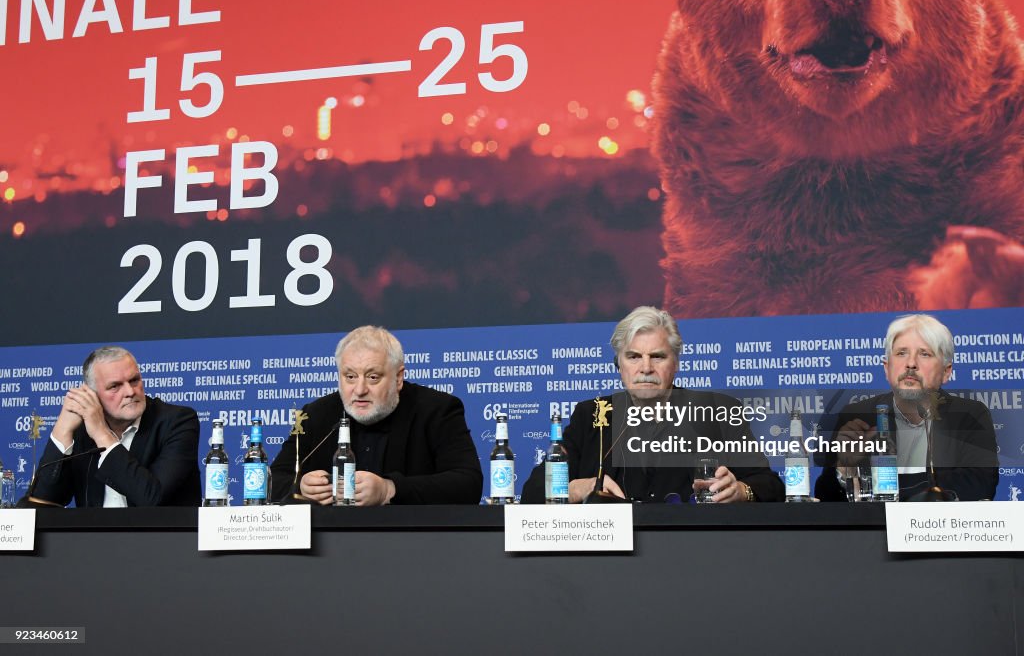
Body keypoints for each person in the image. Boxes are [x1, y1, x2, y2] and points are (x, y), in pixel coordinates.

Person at [521, 307, 783, 503]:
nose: (645, 368)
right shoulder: (591, 416)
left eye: (657, 356)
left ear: (676, 364)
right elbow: (532, 492)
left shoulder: (718, 411)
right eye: (634, 356)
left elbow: (771, 486)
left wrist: (740, 491)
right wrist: (579, 488)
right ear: (619, 365)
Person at [270, 326, 483, 505]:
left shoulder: (437, 410)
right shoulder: (316, 415)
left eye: (373, 377)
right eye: (350, 377)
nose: (360, 389)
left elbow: (468, 484)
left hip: (413, 544)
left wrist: (389, 489)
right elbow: (272, 482)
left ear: (398, 378)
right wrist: (300, 488)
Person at [814, 314, 998, 501]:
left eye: (924, 353)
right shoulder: (858, 416)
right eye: (901, 353)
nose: (911, 364)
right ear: (887, 368)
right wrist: (843, 469)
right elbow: (825, 499)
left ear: (946, 372)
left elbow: (979, 486)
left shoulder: (969, 416)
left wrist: (883, 490)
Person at [23, 346, 200, 507]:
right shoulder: (82, 431)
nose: (130, 392)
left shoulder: (177, 422)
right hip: (93, 540)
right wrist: (63, 429)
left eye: (134, 380)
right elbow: (41, 503)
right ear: (91, 395)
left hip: (163, 540)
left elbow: (153, 498)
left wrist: (102, 434)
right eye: (115, 386)